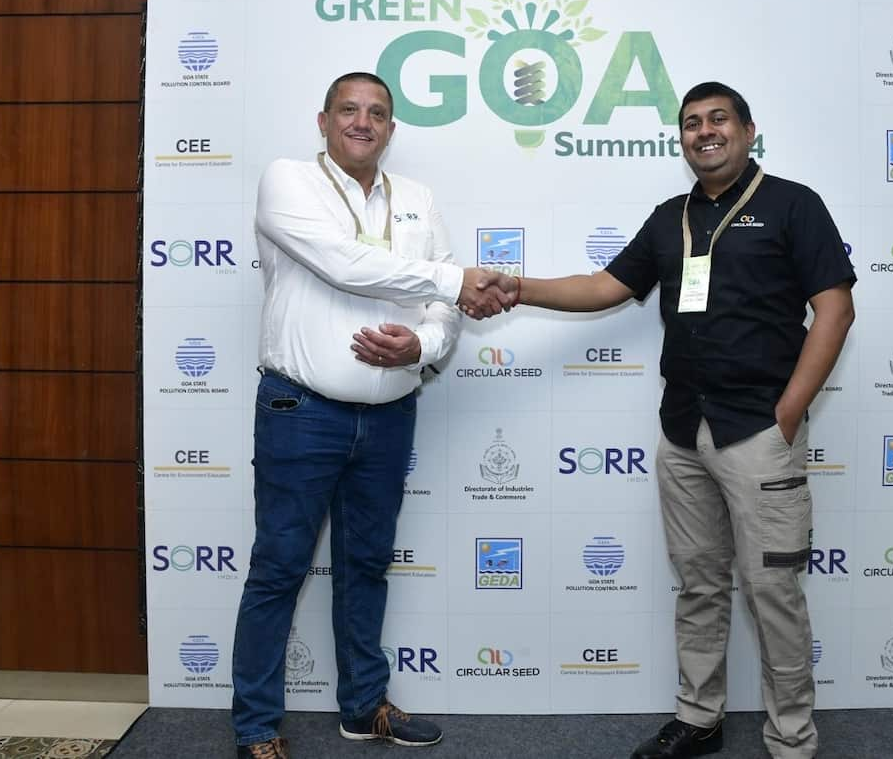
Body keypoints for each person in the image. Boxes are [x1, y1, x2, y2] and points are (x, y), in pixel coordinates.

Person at [488, 82, 855, 759]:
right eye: (691, 123)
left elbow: (834, 310)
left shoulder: (793, 204)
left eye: (719, 119)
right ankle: (699, 715)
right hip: (683, 432)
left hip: (759, 434)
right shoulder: (669, 217)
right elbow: (605, 287)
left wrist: (790, 411)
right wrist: (519, 286)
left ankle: (793, 737)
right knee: (700, 583)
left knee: (773, 591)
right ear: (680, 138)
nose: (704, 131)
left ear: (748, 131)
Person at [231, 71, 508, 759]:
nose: (363, 121)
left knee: (367, 565)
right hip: (302, 409)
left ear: (391, 128)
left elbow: (442, 310)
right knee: (279, 566)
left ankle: (363, 706)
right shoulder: (287, 180)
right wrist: (453, 280)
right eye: (349, 110)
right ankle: (258, 727)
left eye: (378, 112)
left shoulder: (417, 199)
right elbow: (344, 263)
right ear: (323, 120)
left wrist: (426, 343)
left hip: (389, 416)